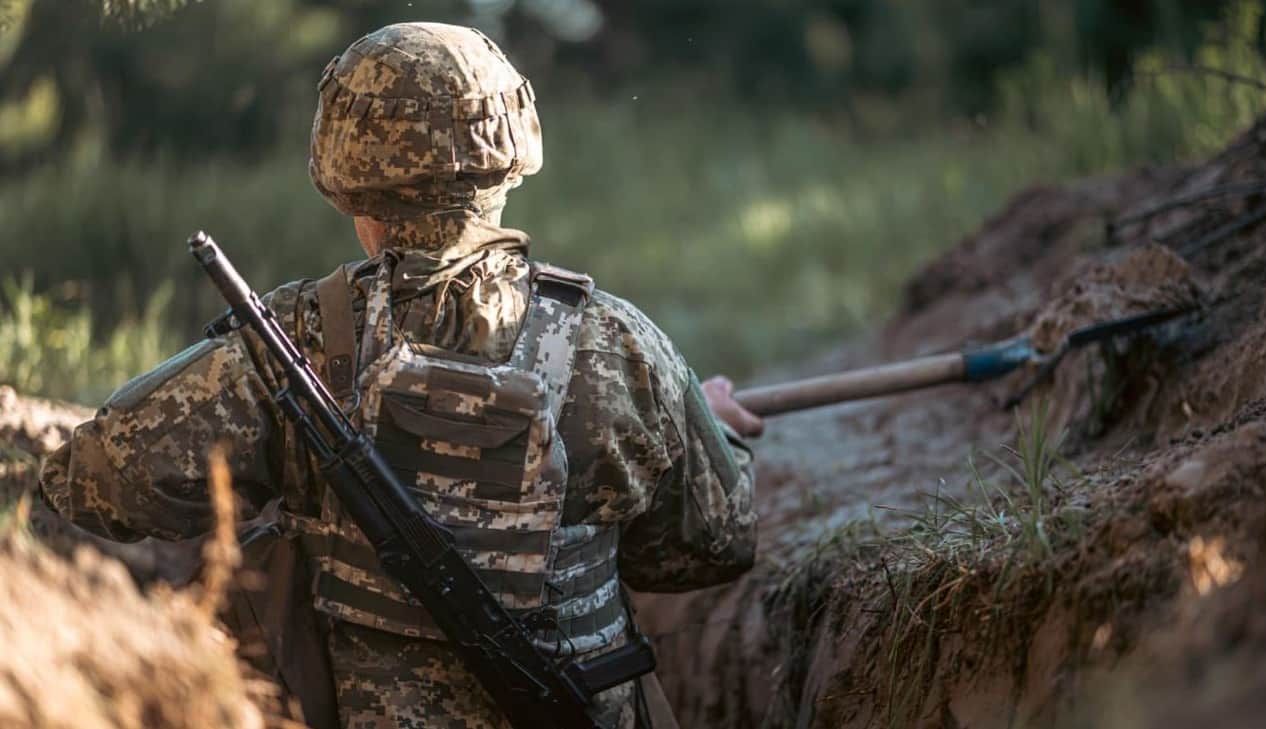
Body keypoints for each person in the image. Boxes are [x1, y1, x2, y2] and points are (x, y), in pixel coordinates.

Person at [38, 21, 762, 729]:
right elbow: (715, 544)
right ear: (512, 152)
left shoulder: (293, 342)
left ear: (345, 169)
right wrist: (709, 427)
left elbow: (95, 479)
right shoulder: (623, 346)